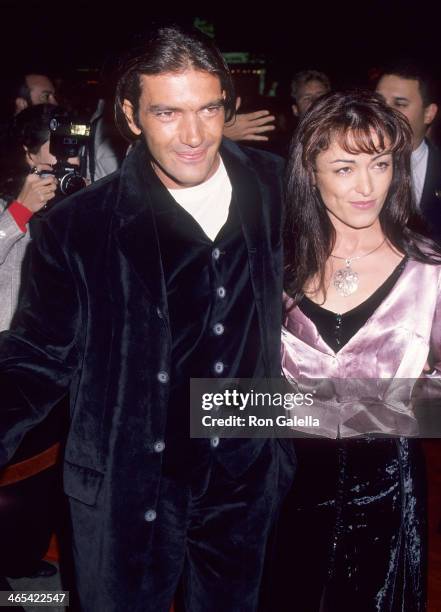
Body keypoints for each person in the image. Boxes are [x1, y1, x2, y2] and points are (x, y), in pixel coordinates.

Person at [0, 26, 295, 612]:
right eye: (168, 112)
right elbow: (36, 358)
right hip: (126, 486)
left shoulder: (276, 183)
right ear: (130, 116)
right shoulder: (75, 226)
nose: (193, 135)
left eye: (209, 109)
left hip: (245, 475)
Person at [267, 90, 440, 611]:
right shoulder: (275, 263)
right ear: (310, 172)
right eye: (344, 168)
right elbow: (226, 391)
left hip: (386, 497)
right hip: (284, 491)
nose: (367, 186)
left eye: (381, 163)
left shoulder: (430, 271)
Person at [0, 104, 82, 585]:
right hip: (4, 348)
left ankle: (23, 558)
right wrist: (20, 211)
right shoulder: (8, 201)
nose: (60, 173)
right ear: (27, 153)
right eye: (51, 163)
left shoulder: (72, 199)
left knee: (38, 475)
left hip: (48, 356)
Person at [375, 62, 441, 239]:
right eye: (380, 102)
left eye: (399, 104)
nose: (383, 112)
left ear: (429, 113)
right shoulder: (351, 166)